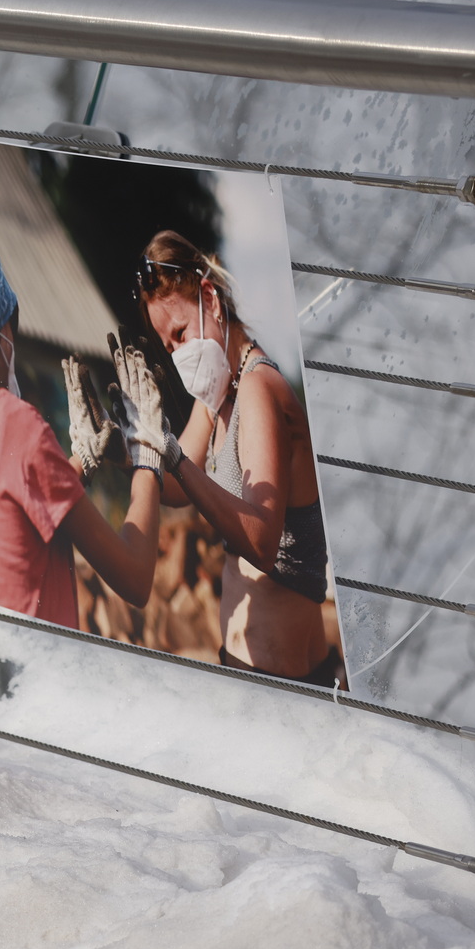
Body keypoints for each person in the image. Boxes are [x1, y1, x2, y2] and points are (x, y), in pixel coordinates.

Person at [0, 194, 166, 629]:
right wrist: (149, 454)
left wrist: (82, 461)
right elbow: (135, 578)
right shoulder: (17, 425)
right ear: (3, 328)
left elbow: (25, 502)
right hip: (47, 674)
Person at [130, 231, 340, 686]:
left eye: (181, 333)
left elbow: (262, 542)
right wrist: (125, 447)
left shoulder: (259, 389)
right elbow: (174, 486)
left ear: (210, 297)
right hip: (250, 670)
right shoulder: (219, 397)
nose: (177, 352)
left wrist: (171, 453)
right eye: (168, 346)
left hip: (286, 685)